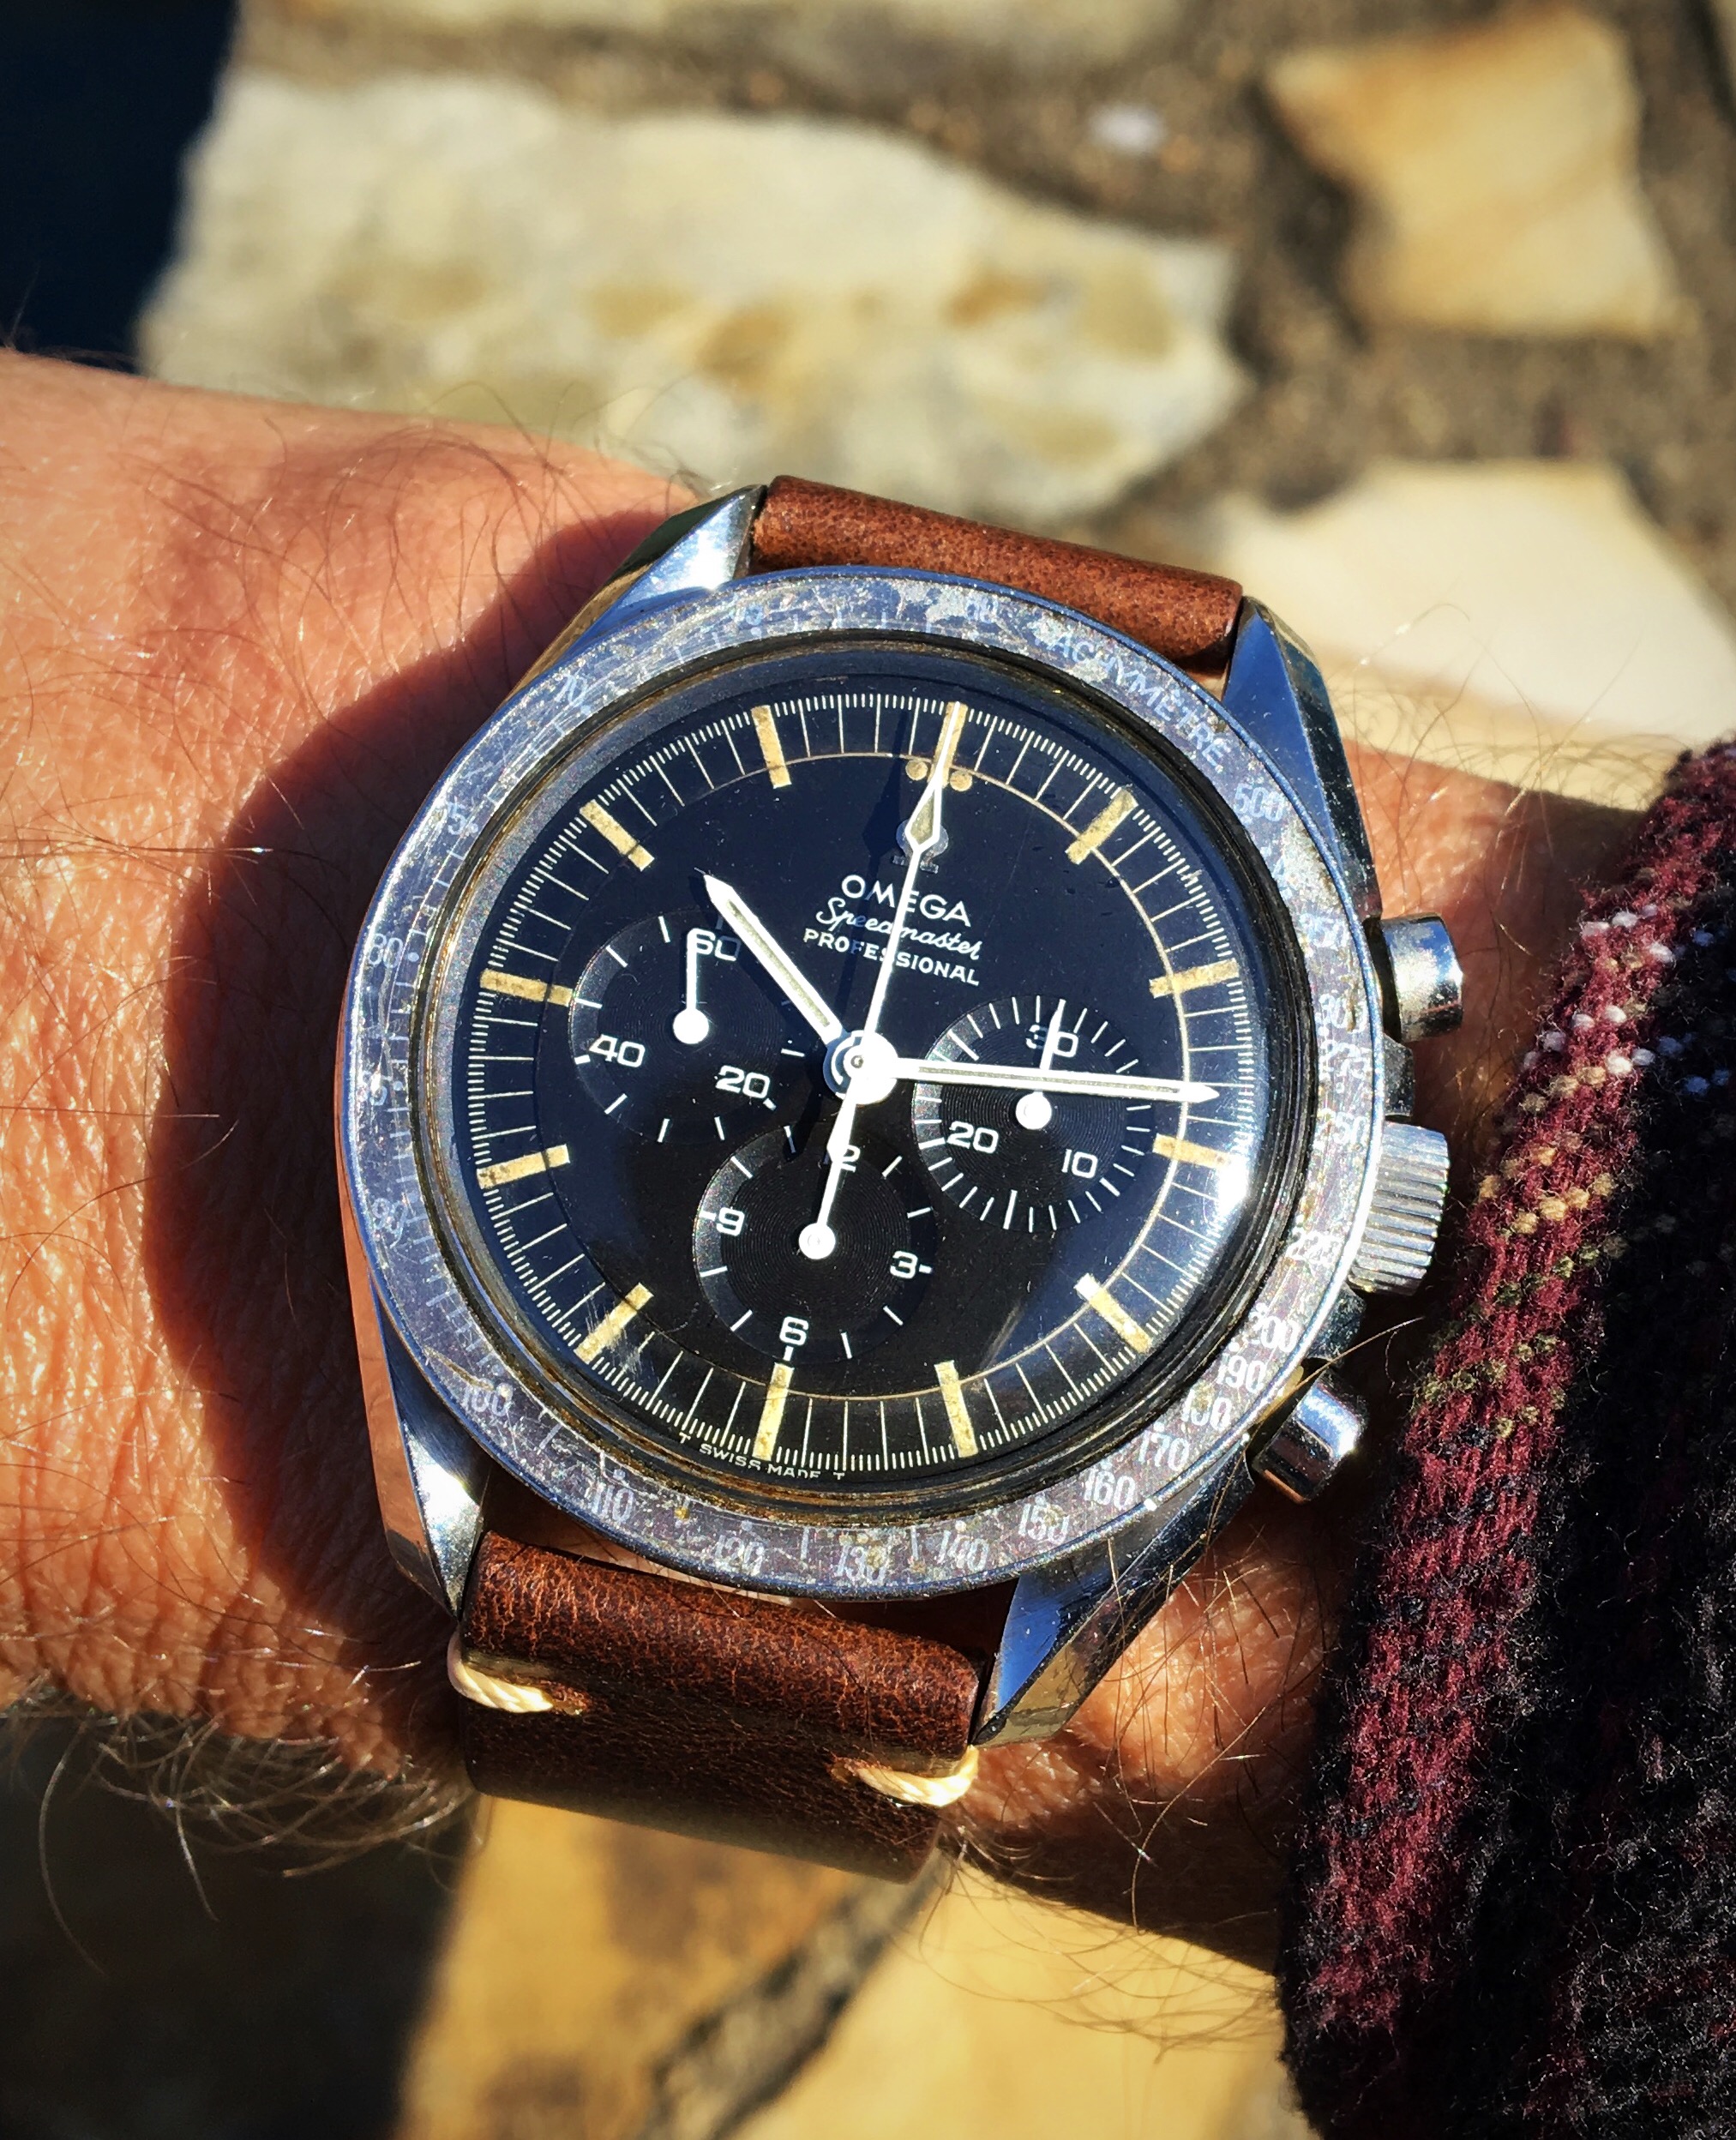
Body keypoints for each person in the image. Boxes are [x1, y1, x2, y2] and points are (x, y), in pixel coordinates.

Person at [3, 352, 1709, 2133]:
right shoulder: (1175, 681)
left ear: (1358, 1192)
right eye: (852, 1061)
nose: (863, 1068)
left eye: (886, 1071)